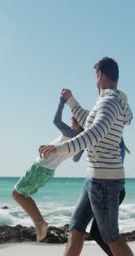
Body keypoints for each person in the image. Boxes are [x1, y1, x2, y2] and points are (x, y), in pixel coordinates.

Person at [39, 57, 135, 256]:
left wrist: (59, 148)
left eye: (95, 75)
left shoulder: (109, 102)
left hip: (105, 181)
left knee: (111, 236)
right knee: (76, 227)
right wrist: (71, 101)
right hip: (94, 178)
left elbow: (93, 134)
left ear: (100, 74)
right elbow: (89, 121)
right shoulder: (110, 101)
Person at [12, 96, 84, 242]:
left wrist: (61, 103)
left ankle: (40, 223)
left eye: (73, 120)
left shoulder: (72, 133)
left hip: (41, 166)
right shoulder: (82, 141)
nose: (71, 121)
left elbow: (56, 121)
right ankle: (39, 223)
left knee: (17, 194)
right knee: (23, 195)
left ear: (77, 123)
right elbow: (76, 159)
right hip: (49, 171)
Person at [90, 137, 130, 256]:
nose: (72, 125)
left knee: (103, 234)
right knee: (100, 233)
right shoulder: (114, 141)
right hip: (111, 189)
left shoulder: (112, 144)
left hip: (109, 190)